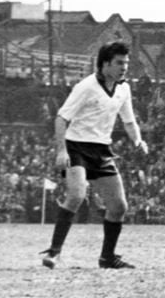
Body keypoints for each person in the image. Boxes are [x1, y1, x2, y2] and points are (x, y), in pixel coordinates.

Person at [40, 41, 149, 269]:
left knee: (119, 206)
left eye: (126, 63)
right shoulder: (86, 86)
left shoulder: (123, 88)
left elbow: (129, 121)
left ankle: (107, 258)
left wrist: (138, 140)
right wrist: (62, 150)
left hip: (101, 149)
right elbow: (61, 118)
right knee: (77, 194)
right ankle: (54, 252)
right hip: (76, 146)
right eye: (120, 63)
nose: (125, 67)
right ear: (105, 64)